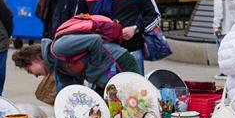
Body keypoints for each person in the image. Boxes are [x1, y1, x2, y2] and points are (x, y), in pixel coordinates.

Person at [11, 34, 139, 97]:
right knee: (102, 110)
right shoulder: (58, 68)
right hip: (105, 77)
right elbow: (70, 91)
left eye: (30, 70)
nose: (34, 75)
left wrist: (92, 72)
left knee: (135, 100)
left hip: (119, 61)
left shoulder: (59, 47)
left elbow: (95, 40)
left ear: (35, 59)